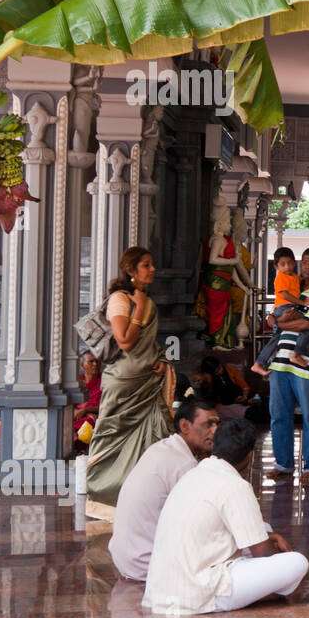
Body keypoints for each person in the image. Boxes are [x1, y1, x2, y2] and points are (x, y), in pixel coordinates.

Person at [142, 418, 308, 616]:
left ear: (214, 445)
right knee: (297, 563)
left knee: (265, 529)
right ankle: (254, 595)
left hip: (162, 591)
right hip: (197, 592)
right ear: (249, 455)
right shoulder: (235, 486)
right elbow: (262, 555)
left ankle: (257, 590)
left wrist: (270, 538)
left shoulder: (193, 474)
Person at [85, 246, 176, 520]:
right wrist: (140, 308)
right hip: (124, 382)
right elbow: (124, 340)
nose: (152, 269)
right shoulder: (121, 300)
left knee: (152, 439)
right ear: (130, 271)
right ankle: (104, 496)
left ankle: (141, 498)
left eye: (151, 264)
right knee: (112, 439)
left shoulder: (140, 298)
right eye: (146, 265)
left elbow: (145, 344)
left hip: (146, 378)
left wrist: (159, 360)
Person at [109, 399, 219, 581]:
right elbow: (199, 525)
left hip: (126, 559)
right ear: (184, 425)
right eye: (208, 424)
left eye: (216, 424)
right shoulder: (184, 464)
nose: (215, 431)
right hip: (148, 564)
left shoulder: (161, 448)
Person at [265, 247, 309, 487]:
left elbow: (305, 324)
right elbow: (272, 316)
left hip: (306, 365)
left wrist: (280, 324)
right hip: (281, 361)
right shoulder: (291, 288)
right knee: (278, 415)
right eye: (304, 262)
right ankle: (283, 464)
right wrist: (275, 320)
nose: (307, 266)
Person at [251, 248, 309, 377]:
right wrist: (303, 303)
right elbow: (285, 295)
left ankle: (258, 363)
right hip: (284, 307)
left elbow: (305, 283)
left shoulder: (295, 277)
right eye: (283, 264)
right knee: (307, 326)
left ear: (295, 263)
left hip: (288, 307)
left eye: (289, 263)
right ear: (276, 267)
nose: (287, 267)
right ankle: (297, 354)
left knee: (275, 338)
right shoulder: (281, 277)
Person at [73, 351, 102, 451]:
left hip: (95, 416)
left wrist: (86, 411)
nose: (95, 364)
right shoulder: (76, 381)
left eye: (97, 361)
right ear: (82, 365)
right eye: (91, 361)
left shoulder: (105, 381)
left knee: (89, 422)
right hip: (75, 416)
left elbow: (108, 405)